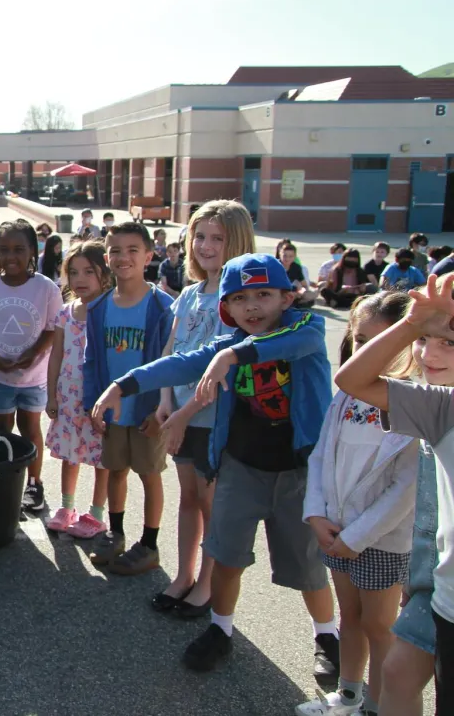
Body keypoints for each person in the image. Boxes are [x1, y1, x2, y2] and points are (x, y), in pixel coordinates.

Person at [92, 253, 339, 677]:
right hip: (242, 469)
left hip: (298, 473)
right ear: (227, 308)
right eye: (240, 299)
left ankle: (327, 636)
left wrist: (231, 357)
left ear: (286, 298)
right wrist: (123, 384)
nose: (252, 306)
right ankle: (220, 630)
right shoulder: (228, 346)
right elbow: (180, 363)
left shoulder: (307, 329)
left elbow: (287, 345)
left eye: (264, 295)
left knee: (307, 566)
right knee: (226, 557)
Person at [332, 274, 454, 714]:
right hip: (442, 592)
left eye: (449, 342)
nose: (429, 354)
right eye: (425, 340)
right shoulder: (442, 406)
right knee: (399, 673)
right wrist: (411, 324)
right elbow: (352, 380)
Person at [296, 291, 418, 716]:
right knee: (350, 617)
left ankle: (379, 707)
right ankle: (348, 696)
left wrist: (358, 536)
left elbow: (405, 488)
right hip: (335, 530)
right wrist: (315, 513)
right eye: (361, 340)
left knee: (379, 626)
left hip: (381, 540)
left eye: (383, 342)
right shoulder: (346, 397)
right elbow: (320, 456)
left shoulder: (414, 404)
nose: (368, 352)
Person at [150, 200, 255, 619]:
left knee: (211, 504)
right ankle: (183, 575)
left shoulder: (239, 299)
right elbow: (170, 350)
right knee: (188, 498)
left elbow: (223, 371)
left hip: (210, 418)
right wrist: (164, 400)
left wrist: (183, 414)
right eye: (200, 236)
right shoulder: (190, 294)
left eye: (217, 238)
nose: (206, 246)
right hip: (178, 412)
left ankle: (207, 584)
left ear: (237, 242)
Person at [82, 220, 174, 574]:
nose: (124, 257)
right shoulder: (99, 308)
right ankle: (115, 533)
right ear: (107, 257)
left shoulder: (163, 307)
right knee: (115, 470)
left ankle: (149, 544)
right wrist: (94, 404)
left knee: (149, 474)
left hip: (148, 410)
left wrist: (162, 408)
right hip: (114, 411)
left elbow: (171, 363)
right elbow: (92, 360)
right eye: (116, 251)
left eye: (133, 250)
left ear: (149, 256)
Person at [0, 219, 62, 512]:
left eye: (19, 249)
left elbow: (52, 328)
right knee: (1, 429)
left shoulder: (46, 288)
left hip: (34, 377)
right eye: (4, 249)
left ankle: (34, 484)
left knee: (30, 428)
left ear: (32, 251)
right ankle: (1, 480)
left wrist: (33, 354)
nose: (11, 256)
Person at [45, 239, 111, 538]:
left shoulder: (110, 311)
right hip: (68, 397)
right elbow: (56, 355)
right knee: (69, 453)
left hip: (98, 399)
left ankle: (96, 513)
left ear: (104, 274)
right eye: (73, 272)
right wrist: (51, 395)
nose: (80, 279)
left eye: (88, 271)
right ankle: (66, 506)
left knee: (101, 456)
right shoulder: (65, 313)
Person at [278, 240, 319, 308]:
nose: (287, 259)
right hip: (278, 292)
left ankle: (294, 303)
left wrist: (299, 292)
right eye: (285, 256)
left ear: (295, 257)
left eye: (290, 256)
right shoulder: (275, 266)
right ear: (280, 254)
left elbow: (304, 286)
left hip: (292, 292)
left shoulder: (296, 267)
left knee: (310, 295)